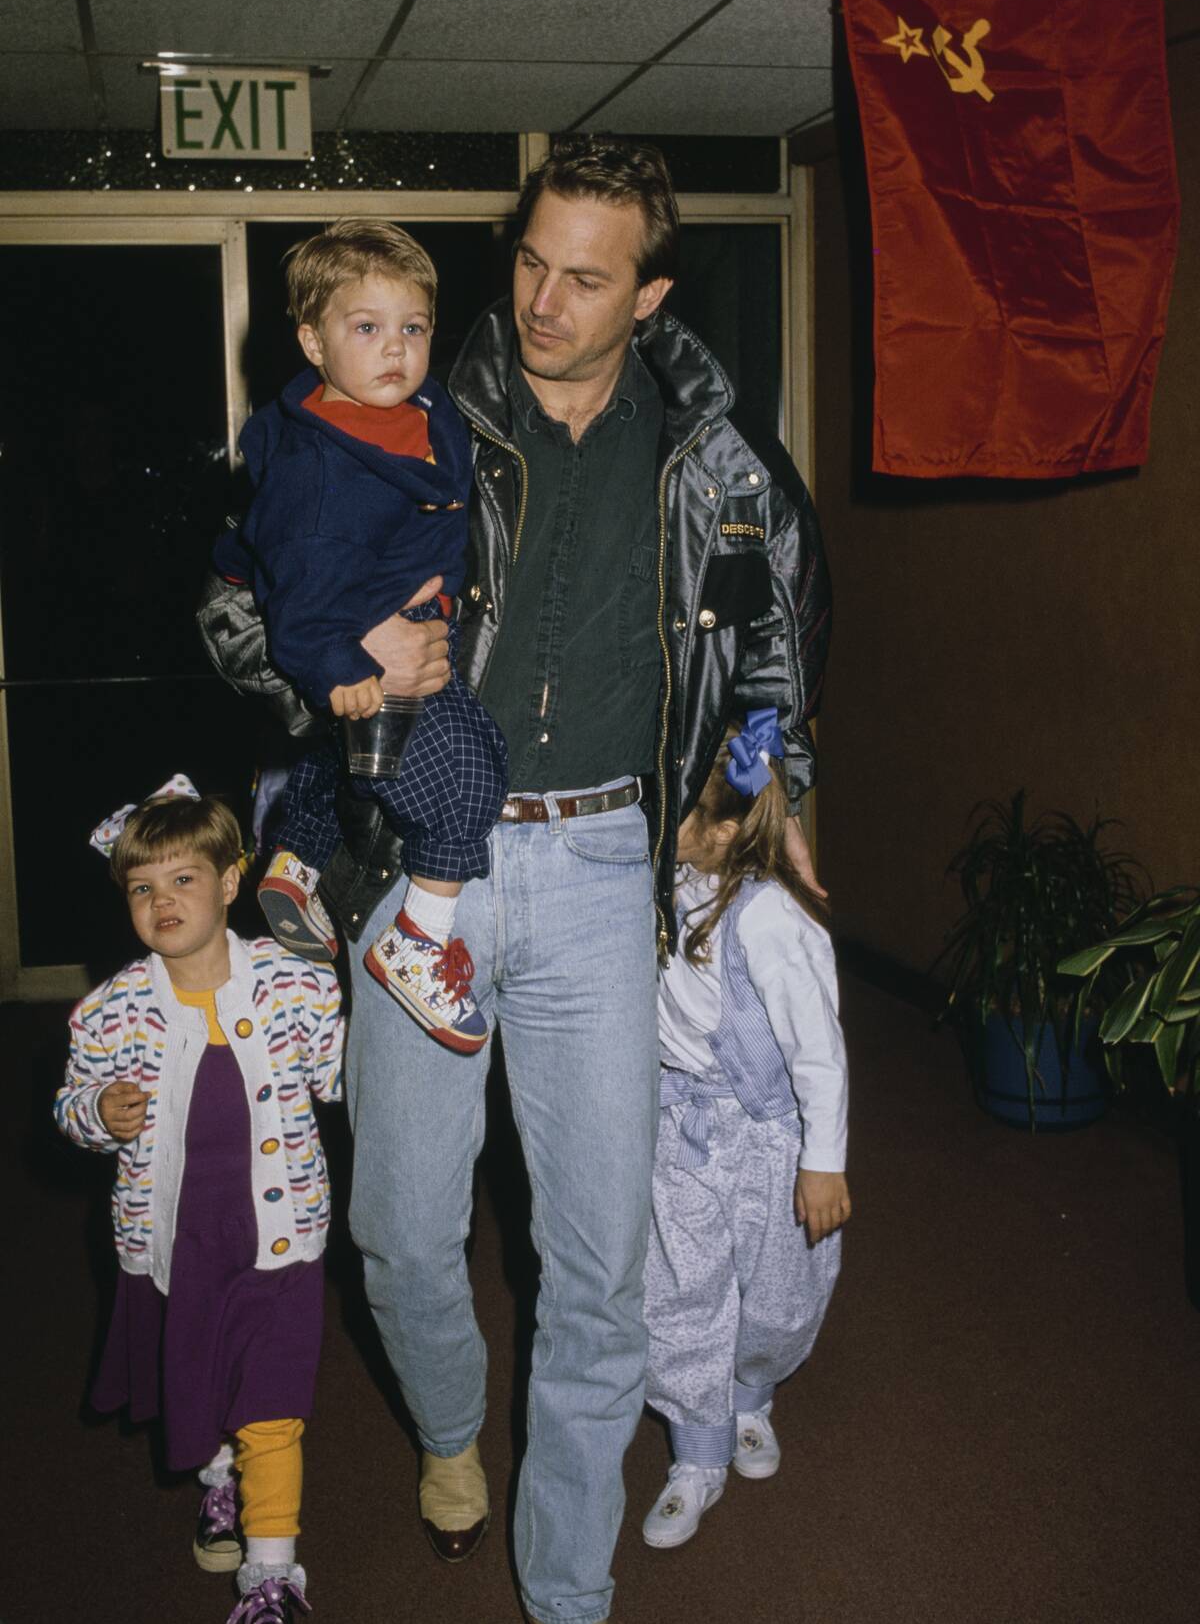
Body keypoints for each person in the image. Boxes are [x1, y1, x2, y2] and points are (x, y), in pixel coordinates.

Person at [198, 136, 832, 1624]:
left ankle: (567, 1583)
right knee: (400, 1230)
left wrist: (754, 779)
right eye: (529, 260)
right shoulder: (419, 399)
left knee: (596, 1254)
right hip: (425, 844)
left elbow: (775, 638)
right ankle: (443, 1426)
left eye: (585, 277)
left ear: (650, 292)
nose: (542, 299)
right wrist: (335, 670)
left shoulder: (716, 448)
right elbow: (238, 595)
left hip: (610, 862)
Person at [55, 777, 344, 1624]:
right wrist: (96, 1114)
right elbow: (71, 1107)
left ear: (229, 881)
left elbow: (335, 1075)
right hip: (171, 1238)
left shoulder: (293, 983)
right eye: (142, 887)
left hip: (281, 1231)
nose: (161, 900)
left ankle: (273, 1573)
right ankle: (218, 1479)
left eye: (183, 879)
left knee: (273, 1399)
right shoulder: (109, 1012)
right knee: (201, 1377)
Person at [214, 219, 507, 1053]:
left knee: (338, 759)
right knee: (470, 778)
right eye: (366, 327)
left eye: (413, 328)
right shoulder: (317, 470)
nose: (396, 348)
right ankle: (418, 937)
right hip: (365, 651)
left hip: (407, 616)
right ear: (312, 340)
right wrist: (338, 663)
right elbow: (295, 591)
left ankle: (295, 857)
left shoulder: (420, 412)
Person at [639, 716, 850, 1550]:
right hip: (679, 1124)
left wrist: (823, 1162)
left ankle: (750, 1392)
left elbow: (820, 1053)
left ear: (724, 832)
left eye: (679, 809)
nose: (664, 821)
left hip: (768, 1136)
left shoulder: (769, 920)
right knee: (680, 1286)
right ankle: (696, 1451)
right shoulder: (668, 885)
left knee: (776, 1295)